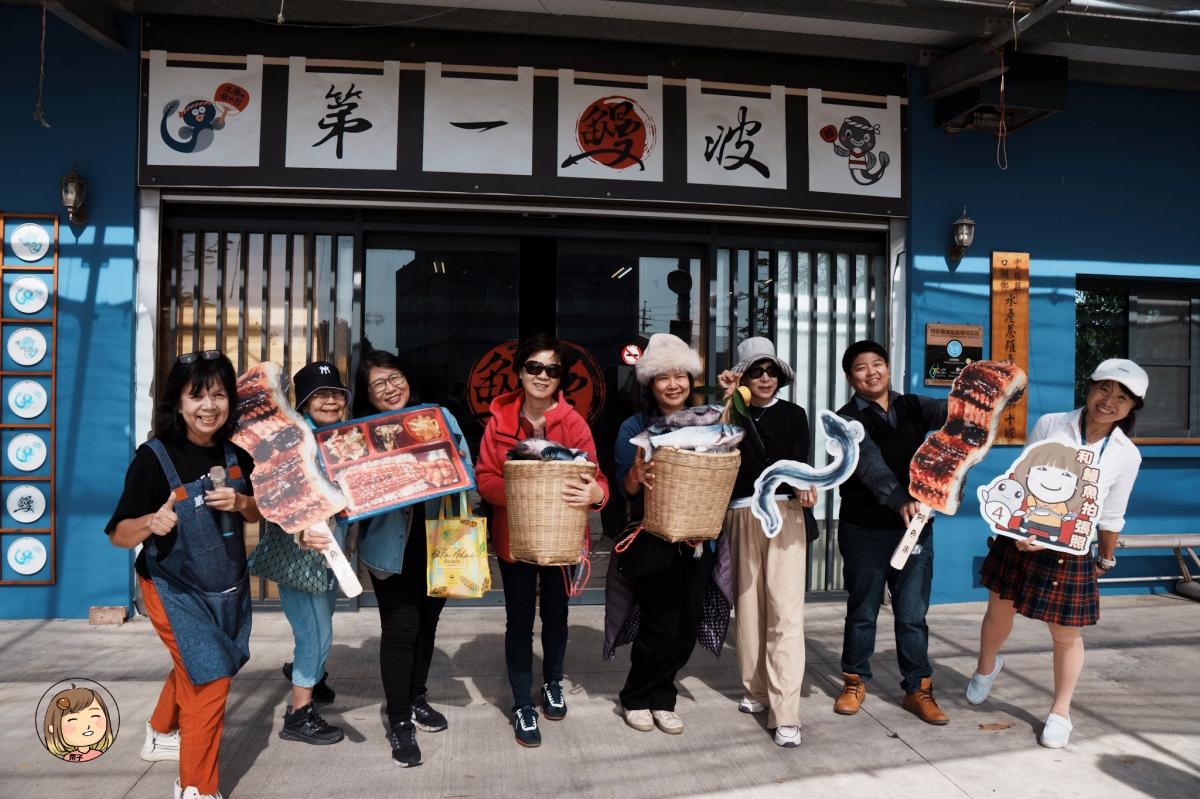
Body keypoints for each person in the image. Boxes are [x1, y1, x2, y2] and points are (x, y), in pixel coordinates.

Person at [967, 359, 1146, 749]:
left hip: (1071, 549)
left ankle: (1061, 712)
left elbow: (1113, 514)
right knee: (998, 610)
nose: (1108, 401)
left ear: (1132, 407)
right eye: (1104, 389)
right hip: (1021, 538)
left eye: (1121, 397)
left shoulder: (1126, 455)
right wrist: (1017, 531)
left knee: (1065, 634)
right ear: (1090, 387)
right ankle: (986, 667)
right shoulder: (1051, 423)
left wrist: (1106, 558)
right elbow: (1023, 479)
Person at [107, 350, 261, 799]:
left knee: (198, 660)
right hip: (171, 587)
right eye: (197, 396)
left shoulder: (237, 454)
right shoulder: (154, 458)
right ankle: (195, 787)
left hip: (225, 584)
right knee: (211, 675)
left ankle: (160, 730)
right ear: (178, 402)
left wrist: (242, 503)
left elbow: (257, 512)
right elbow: (118, 533)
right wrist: (150, 524)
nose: (208, 406)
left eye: (218, 395)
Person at [476, 333, 609, 748]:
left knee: (556, 617)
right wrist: (519, 490)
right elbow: (484, 479)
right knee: (518, 623)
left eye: (552, 369)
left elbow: (599, 481)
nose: (542, 375)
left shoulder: (574, 424)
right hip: (514, 539)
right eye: (534, 367)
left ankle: (552, 682)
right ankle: (521, 703)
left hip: (561, 539)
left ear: (561, 378)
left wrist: (596, 495)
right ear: (520, 372)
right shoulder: (498, 421)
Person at [353, 349, 474, 768]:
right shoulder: (363, 433)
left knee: (427, 625)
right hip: (390, 545)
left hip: (441, 539)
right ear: (367, 395)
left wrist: (440, 462)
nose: (390, 389)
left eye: (395, 378)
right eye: (379, 384)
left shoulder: (437, 415)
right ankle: (400, 718)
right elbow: (351, 488)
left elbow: (468, 470)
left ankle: (418, 697)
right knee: (401, 628)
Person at [834, 340, 950, 725]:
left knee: (912, 614)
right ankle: (854, 680)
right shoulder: (845, 418)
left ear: (888, 367)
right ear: (851, 378)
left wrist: (990, 387)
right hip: (864, 528)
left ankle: (918, 689)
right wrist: (901, 499)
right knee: (863, 610)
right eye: (861, 367)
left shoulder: (915, 405)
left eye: (878, 363)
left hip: (917, 530)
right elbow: (870, 465)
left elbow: (961, 413)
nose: (872, 372)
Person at [610, 332, 717, 736]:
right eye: (663, 378)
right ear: (650, 383)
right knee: (661, 625)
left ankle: (663, 697)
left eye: (681, 376)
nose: (674, 385)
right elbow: (624, 488)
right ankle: (636, 696)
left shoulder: (709, 419)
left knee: (686, 626)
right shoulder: (633, 428)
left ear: (691, 380)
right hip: (652, 539)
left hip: (699, 538)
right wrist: (635, 477)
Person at [718, 337, 816, 748]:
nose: (764, 378)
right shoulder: (730, 413)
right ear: (742, 375)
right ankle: (756, 690)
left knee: (785, 613)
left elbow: (800, 463)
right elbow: (715, 449)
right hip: (740, 511)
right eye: (755, 370)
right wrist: (728, 401)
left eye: (770, 370)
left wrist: (805, 484)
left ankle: (786, 711)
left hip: (783, 513)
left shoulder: (794, 414)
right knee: (749, 608)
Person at [275, 361, 352, 746]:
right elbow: (276, 494)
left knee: (319, 623)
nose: (331, 400)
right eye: (320, 394)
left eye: (336, 393)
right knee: (316, 631)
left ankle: (309, 673)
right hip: (300, 554)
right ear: (304, 401)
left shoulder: (339, 436)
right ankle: (298, 714)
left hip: (330, 553)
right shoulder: (292, 440)